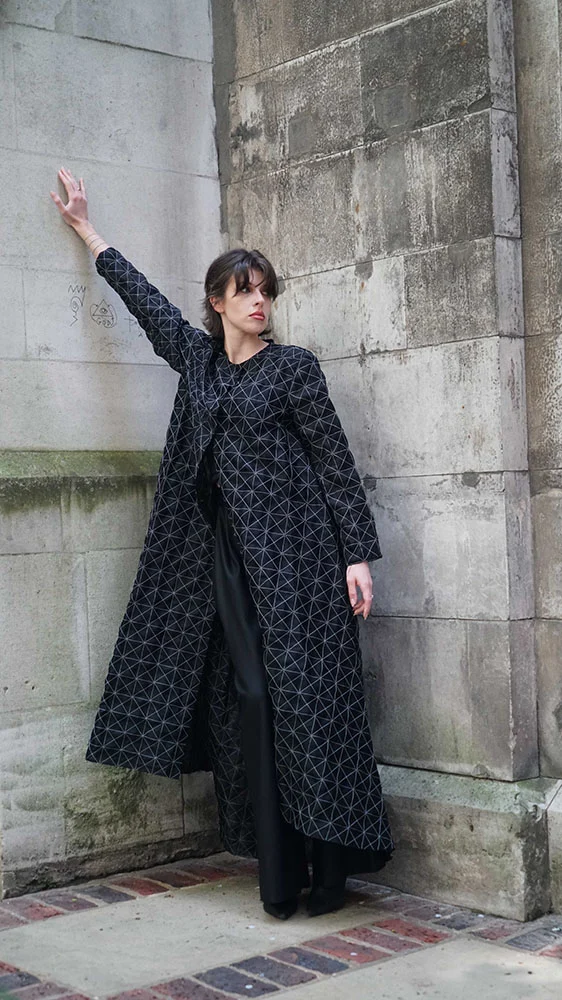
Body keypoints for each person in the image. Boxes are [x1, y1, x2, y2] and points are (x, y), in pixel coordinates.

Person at [50, 167, 394, 920]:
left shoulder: (293, 369)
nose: (259, 302)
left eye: (266, 291)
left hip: (301, 564)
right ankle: (279, 873)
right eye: (245, 291)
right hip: (229, 570)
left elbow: (336, 463)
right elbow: (146, 305)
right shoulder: (200, 362)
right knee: (253, 702)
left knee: (311, 707)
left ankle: (331, 870)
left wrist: (356, 556)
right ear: (218, 302)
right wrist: (87, 229)